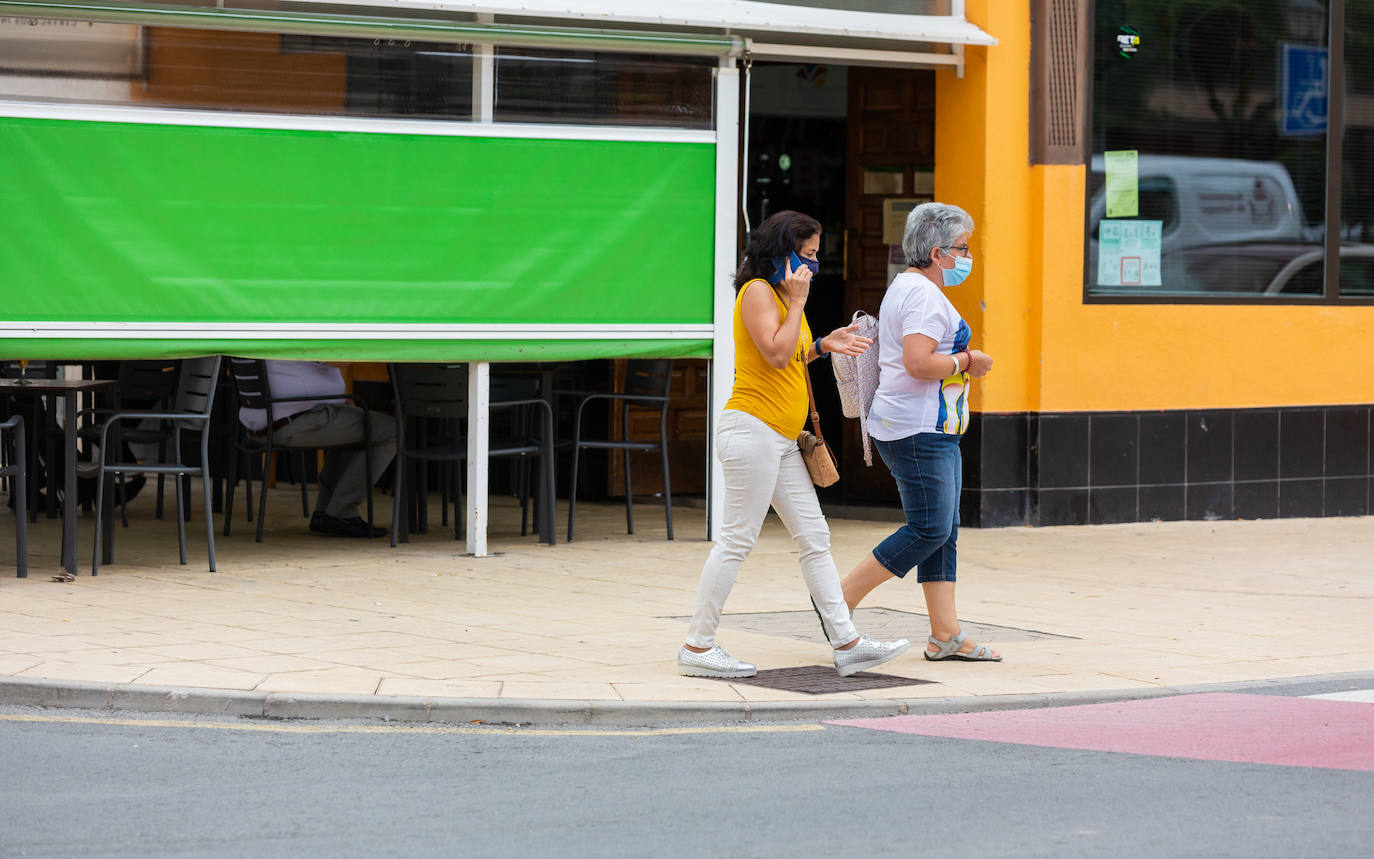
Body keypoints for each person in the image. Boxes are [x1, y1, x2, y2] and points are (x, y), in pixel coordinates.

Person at [679, 210, 910, 678]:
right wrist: (800, 302)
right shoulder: (759, 292)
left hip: (782, 440)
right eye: (806, 255)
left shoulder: (781, 296)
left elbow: (795, 353)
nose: (812, 265)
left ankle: (846, 642)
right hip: (752, 431)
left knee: (815, 537)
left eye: (816, 256)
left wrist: (825, 344)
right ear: (780, 252)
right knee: (736, 541)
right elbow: (777, 351)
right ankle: (698, 648)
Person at [838, 202, 1001, 662]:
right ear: (937, 252)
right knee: (930, 526)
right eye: (963, 249)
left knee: (943, 528)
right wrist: (970, 361)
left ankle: (945, 635)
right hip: (917, 428)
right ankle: (838, 601)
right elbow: (918, 362)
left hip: (926, 426)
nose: (968, 257)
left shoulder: (907, 286)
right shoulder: (925, 296)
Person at [238, 360, 397, 538]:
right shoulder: (300, 330)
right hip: (296, 422)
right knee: (391, 430)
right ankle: (341, 511)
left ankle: (326, 513)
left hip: (267, 424)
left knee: (354, 422)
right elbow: (339, 357)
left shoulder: (266, 331)